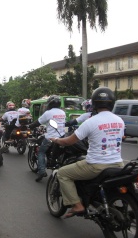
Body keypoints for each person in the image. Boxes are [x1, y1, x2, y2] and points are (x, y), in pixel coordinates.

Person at [49, 87, 124, 218]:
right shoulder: (119, 120)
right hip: (118, 164)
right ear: (112, 102)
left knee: (62, 173)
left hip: (96, 165)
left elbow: (69, 141)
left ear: (94, 103)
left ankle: (77, 205)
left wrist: (56, 140)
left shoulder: (90, 121)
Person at [29, 95, 66, 182]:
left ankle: (41, 171)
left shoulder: (48, 113)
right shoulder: (62, 112)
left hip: (50, 137)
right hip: (62, 136)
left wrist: (30, 126)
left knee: (41, 152)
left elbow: (38, 122)